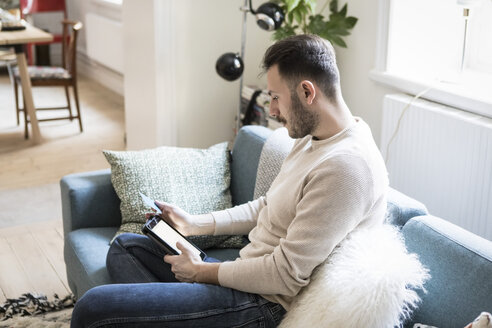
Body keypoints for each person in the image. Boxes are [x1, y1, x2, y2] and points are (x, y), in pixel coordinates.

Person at [70, 34, 388, 328]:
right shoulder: (314, 137)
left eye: (276, 97)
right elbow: (268, 205)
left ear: (307, 92)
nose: (272, 109)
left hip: (262, 304)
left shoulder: (346, 168)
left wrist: (203, 272)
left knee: (92, 309)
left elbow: (285, 275)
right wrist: (194, 224)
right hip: (243, 274)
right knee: (125, 247)